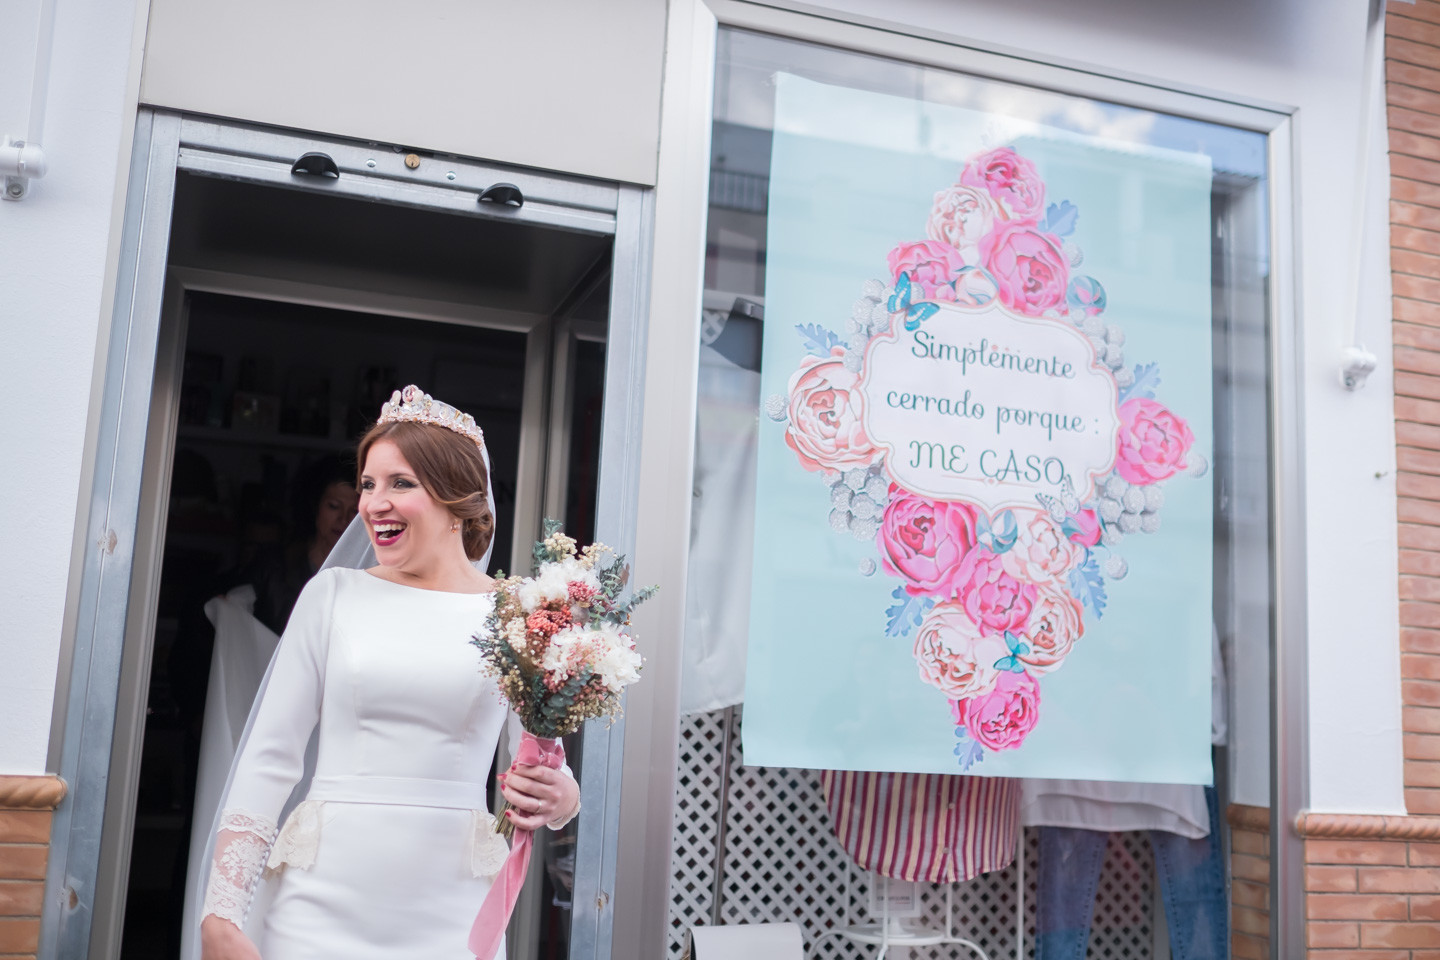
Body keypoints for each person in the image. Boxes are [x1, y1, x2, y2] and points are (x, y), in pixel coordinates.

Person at [198, 385, 581, 960]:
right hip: (318, 901)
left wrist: (562, 796)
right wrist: (222, 914)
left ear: (457, 497)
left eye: (401, 483)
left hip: (452, 910)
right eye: (368, 485)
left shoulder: (517, 613)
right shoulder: (332, 595)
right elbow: (269, 757)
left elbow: (541, 760)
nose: (375, 503)